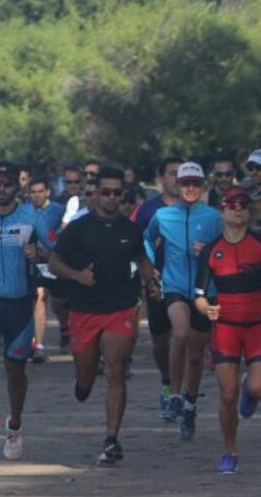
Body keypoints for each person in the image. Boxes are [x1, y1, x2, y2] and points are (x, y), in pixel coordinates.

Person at [49, 167, 157, 465]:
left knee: (115, 369)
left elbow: (142, 258)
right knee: (86, 376)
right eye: (105, 192)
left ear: (123, 195)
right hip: (83, 310)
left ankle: (111, 438)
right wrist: (77, 276)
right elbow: (55, 262)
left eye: (117, 193)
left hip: (120, 308)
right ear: (95, 193)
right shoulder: (78, 228)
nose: (111, 198)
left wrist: (151, 282)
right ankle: (83, 383)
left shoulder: (130, 229)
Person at [194, 186, 261, 474]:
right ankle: (230, 451)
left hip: (257, 327)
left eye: (244, 204)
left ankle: (250, 394)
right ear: (222, 210)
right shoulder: (212, 250)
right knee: (227, 394)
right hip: (225, 328)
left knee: (258, 388)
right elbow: (198, 293)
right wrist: (204, 307)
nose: (238, 208)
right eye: (232, 204)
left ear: (250, 212)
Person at [144, 162, 222, 440]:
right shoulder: (163, 216)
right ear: (177, 186)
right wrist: (151, 265)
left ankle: (190, 404)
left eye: (196, 184)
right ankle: (175, 394)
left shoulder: (215, 217)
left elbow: (228, 246)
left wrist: (210, 251)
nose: (190, 188)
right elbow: (146, 239)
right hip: (174, 284)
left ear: (203, 187)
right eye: (185, 183)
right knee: (180, 332)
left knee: (196, 353)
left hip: (204, 289)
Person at [0, 161, 57, 458]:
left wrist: (39, 251)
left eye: (8, 184)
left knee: (16, 370)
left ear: (18, 186)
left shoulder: (32, 216)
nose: (2, 189)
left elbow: (57, 250)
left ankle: (14, 426)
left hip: (20, 302)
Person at [134, 156, 184, 418]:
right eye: (172, 173)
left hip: (186, 284)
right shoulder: (148, 211)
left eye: (181, 173)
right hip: (157, 283)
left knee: (183, 335)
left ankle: (180, 392)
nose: (177, 178)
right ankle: (167, 382)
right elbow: (138, 246)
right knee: (159, 341)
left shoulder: (196, 208)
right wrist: (147, 275)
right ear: (161, 178)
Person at [27, 176, 66, 363]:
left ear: (48, 192)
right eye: (33, 192)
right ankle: (39, 346)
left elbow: (65, 231)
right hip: (35, 263)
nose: (37, 195)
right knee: (39, 297)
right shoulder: (24, 211)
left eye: (40, 191)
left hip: (56, 263)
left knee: (60, 303)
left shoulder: (59, 210)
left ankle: (65, 327)